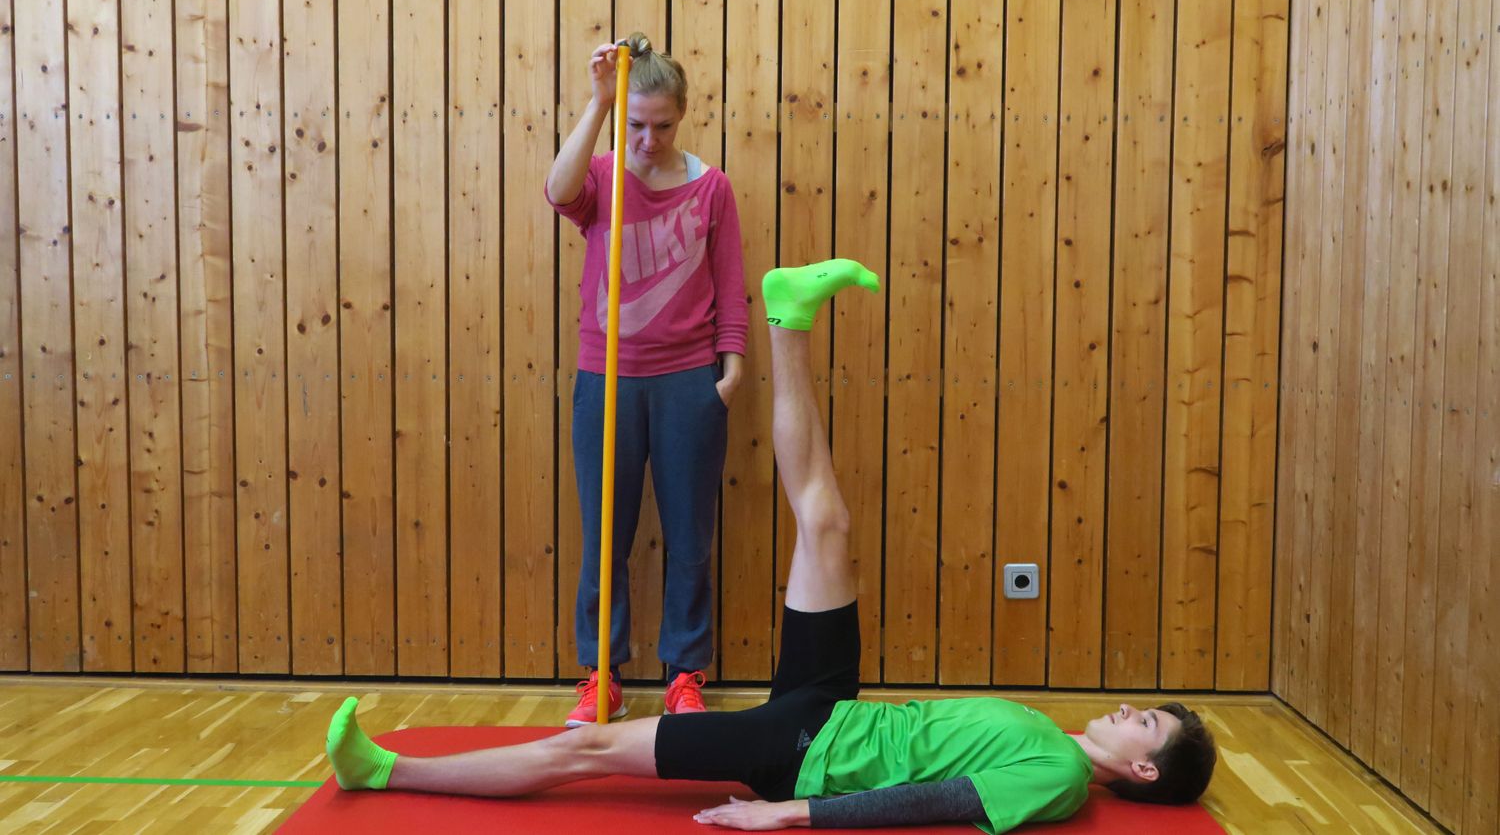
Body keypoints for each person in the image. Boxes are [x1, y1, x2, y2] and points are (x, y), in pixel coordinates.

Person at [324, 261, 1218, 833]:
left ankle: (386, 772)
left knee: (586, 751)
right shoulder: (1051, 741)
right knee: (826, 523)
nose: (1127, 711)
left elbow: (936, 802)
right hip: (835, 709)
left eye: (1144, 723)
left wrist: (792, 814)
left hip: (800, 749)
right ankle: (789, 319)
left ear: (1143, 769)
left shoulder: (1059, 776)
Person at [545, 32, 749, 725]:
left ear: (681, 115)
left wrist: (730, 374)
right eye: (636, 124)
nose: (648, 140)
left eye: (662, 126)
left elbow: (730, 284)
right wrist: (600, 103)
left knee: (690, 538)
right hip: (607, 380)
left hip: (690, 382)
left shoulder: (711, 187)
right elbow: (558, 191)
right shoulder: (602, 175)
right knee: (606, 535)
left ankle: (684, 676)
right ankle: (602, 675)